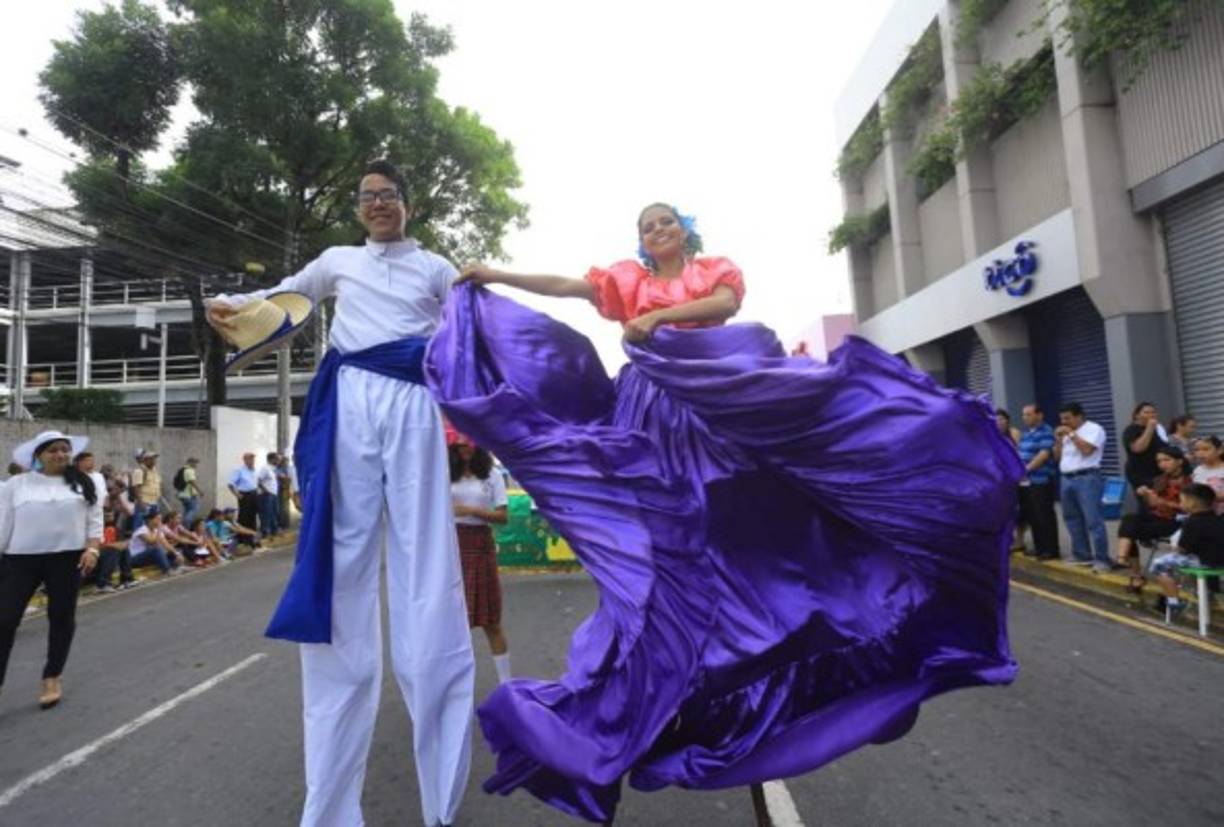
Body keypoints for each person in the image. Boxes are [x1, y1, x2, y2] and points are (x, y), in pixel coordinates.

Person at [440, 202, 1023, 824]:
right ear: (639, 242)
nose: (658, 231)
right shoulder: (624, 282)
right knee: (672, 549)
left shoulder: (712, 270)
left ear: (684, 231)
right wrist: (497, 277)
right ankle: (682, 678)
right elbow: (567, 285)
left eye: (666, 221)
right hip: (651, 412)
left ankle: (784, 643)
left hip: (713, 406)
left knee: (750, 522)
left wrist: (658, 317)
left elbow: (722, 306)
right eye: (647, 226)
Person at [207, 159, 474, 827]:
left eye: (388, 196)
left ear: (407, 205)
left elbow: (475, 323)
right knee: (345, 567)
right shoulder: (336, 260)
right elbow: (283, 303)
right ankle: (328, 810)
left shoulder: (436, 267)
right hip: (349, 400)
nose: (378, 204)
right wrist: (233, 307)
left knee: (426, 571)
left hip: (414, 403)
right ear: (358, 209)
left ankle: (440, 799)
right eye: (368, 197)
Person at [0, 430, 102, 709]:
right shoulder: (17, 484)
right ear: (39, 455)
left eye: (64, 449)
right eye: (53, 450)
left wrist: (92, 549)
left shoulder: (84, 483)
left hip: (67, 559)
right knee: (5, 621)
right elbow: (4, 523)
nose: (60, 455)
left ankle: (52, 676)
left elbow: (94, 521)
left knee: (61, 618)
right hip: (20, 560)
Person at [449, 436, 512, 683]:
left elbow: (502, 516)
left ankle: (507, 684)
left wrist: (471, 511)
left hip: (480, 543)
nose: (466, 448)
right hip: (451, 546)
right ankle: (455, 688)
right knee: (453, 622)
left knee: (491, 620)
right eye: (460, 444)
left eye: (470, 443)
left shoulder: (491, 474)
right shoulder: (443, 473)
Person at [1117, 446, 1191, 591]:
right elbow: (1152, 504)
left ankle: (1129, 568)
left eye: (1166, 460)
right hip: (1158, 517)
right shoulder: (1160, 479)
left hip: (1177, 521)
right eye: (1159, 461)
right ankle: (1125, 562)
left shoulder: (1190, 480)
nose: (1162, 464)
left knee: (1130, 528)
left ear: (1180, 461)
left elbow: (1190, 508)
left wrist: (1163, 502)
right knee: (1129, 521)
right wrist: (1146, 494)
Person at [1054, 402, 1113, 571]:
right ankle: (1082, 554)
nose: (1064, 422)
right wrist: (1058, 441)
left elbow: (1087, 451)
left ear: (1079, 416)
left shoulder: (1094, 429)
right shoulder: (1065, 433)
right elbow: (1057, 458)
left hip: (1087, 477)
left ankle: (1102, 558)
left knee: (1093, 519)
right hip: (1066, 478)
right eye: (1062, 419)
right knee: (1071, 518)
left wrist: (1071, 434)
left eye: (1068, 418)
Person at [1150, 483, 1224, 618]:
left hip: (1202, 562)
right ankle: (1203, 593)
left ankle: (1174, 602)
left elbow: (1183, 549)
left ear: (1192, 503)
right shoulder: (1219, 518)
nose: (1180, 503)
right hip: (1219, 562)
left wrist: (1172, 548)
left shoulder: (1193, 522)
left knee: (1158, 565)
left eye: (1182, 500)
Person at [1017, 404, 1060, 560]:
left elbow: (1043, 455)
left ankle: (1050, 549)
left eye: (1029, 414)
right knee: (1032, 516)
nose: (1025, 418)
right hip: (1025, 482)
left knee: (1044, 515)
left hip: (1041, 480)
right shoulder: (1026, 433)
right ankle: (1039, 547)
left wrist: (1024, 470)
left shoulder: (1046, 432)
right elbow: (1019, 453)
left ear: (1039, 415)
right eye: (1024, 415)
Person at [1122, 402, 1167, 493]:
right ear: (1137, 415)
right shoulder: (1131, 430)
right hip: (1141, 473)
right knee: (1147, 501)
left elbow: (1163, 446)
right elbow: (1138, 448)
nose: (1151, 415)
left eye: (1153, 412)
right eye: (1146, 412)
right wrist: (1150, 428)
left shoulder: (1156, 429)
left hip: (1156, 472)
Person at [128, 511, 182, 575]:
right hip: (135, 559)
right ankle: (168, 570)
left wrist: (177, 554)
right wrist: (159, 528)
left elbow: (166, 544)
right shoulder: (141, 531)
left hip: (148, 558)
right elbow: (153, 542)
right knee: (157, 549)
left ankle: (176, 566)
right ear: (150, 520)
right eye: (158, 519)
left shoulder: (156, 531)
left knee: (171, 552)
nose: (160, 521)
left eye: (160, 519)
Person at [93, 515, 135, 592]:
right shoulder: (95, 529)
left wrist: (121, 544)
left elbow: (120, 544)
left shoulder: (113, 528)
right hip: (92, 559)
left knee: (123, 548)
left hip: (103, 557)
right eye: (107, 516)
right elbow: (96, 547)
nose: (110, 517)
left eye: (111, 515)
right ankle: (102, 584)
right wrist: (115, 545)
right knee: (111, 550)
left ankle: (127, 579)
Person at [228, 453, 260, 540]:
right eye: (250, 459)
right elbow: (230, 484)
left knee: (253, 515)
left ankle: (252, 535)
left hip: (254, 494)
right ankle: (243, 537)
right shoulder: (239, 470)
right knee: (244, 516)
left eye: (253, 459)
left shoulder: (254, 470)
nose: (252, 461)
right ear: (245, 460)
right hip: (244, 495)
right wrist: (237, 495)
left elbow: (255, 482)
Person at [129, 448, 163, 529]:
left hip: (154, 502)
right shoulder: (139, 471)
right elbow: (136, 487)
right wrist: (141, 503)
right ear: (145, 460)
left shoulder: (154, 471)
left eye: (155, 458)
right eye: (151, 459)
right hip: (145, 502)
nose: (154, 461)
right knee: (140, 526)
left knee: (153, 526)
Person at [1191, 435, 1224, 514]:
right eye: (1196, 450)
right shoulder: (1197, 470)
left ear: (1220, 450)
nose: (1200, 453)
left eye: (1206, 449)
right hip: (1206, 515)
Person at [257, 452, 281, 538]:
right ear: (272, 459)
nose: (279, 461)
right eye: (277, 459)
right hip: (266, 495)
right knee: (266, 514)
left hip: (273, 494)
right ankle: (265, 532)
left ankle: (274, 531)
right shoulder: (265, 468)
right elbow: (258, 480)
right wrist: (265, 490)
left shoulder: (273, 469)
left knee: (274, 513)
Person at [175, 458, 204, 526]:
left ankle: (183, 526)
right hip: (189, 495)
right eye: (194, 462)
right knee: (193, 510)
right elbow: (192, 482)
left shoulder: (183, 470)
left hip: (183, 495)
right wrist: (200, 491)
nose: (196, 464)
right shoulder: (189, 470)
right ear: (189, 462)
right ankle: (186, 526)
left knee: (187, 511)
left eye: (196, 463)